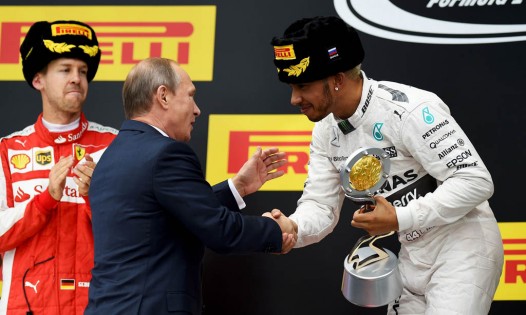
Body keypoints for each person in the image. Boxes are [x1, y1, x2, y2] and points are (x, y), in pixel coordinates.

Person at [269, 16, 504, 314]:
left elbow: (475, 181)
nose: (294, 98)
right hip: (410, 254)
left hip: (462, 248)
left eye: (303, 85)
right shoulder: (325, 133)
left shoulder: (408, 109)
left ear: (338, 79)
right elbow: (321, 207)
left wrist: (399, 218)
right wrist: (292, 226)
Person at [84, 57, 297, 315]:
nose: (197, 109)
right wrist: (275, 231)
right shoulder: (166, 154)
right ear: (163, 96)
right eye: (190, 96)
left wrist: (237, 187)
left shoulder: (110, 156)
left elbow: (171, 216)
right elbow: (219, 230)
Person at [0, 20, 118, 314]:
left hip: (99, 304)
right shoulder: (8, 150)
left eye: (83, 71)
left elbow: (136, 230)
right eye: (65, 69)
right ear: (38, 79)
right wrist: (45, 200)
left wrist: (95, 197)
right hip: (26, 304)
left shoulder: (114, 144)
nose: (76, 78)